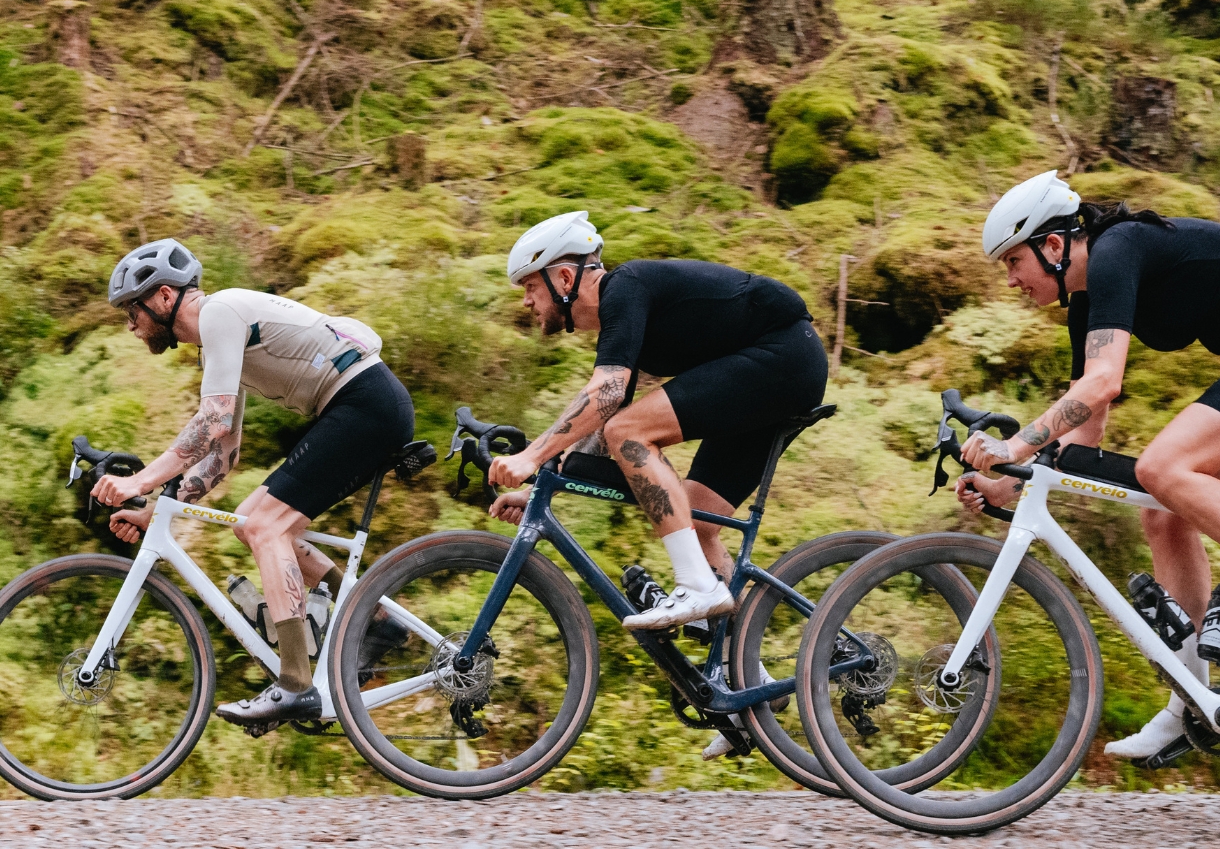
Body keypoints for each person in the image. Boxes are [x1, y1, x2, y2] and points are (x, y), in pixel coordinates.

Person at [955, 171, 1220, 760]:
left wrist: (1013, 447)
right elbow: (1084, 428)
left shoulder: (1118, 247)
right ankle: (1194, 698)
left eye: (1013, 261)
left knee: (1162, 467)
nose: (1011, 279)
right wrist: (1007, 484)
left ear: (1052, 246)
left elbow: (1102, 381)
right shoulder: (1088, 303)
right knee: (1163, 513)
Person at [90, 239, 415, 728]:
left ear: (161, 298)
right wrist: (158, 506)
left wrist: (138, 479)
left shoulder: (220, 313)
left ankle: (295, 684)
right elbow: (224, 454)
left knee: (267, 526)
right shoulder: (219, 340)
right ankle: (379, 620)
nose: (130, 326)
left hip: (364, 403)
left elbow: (213, 420)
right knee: (251, 523)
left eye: (130, 312)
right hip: (361, 406)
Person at [486, 211, 827, 644]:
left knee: (630, 432)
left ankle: (698, 588)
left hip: (784, 357)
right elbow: (598, 423)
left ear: (566, 279)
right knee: (696, 520)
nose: (526, 302)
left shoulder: (625, 288)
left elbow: (608, 397)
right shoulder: (625, 317)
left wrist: (529, 456)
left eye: (531, 286)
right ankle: (739, 675)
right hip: (777, 370)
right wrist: (540, 484)